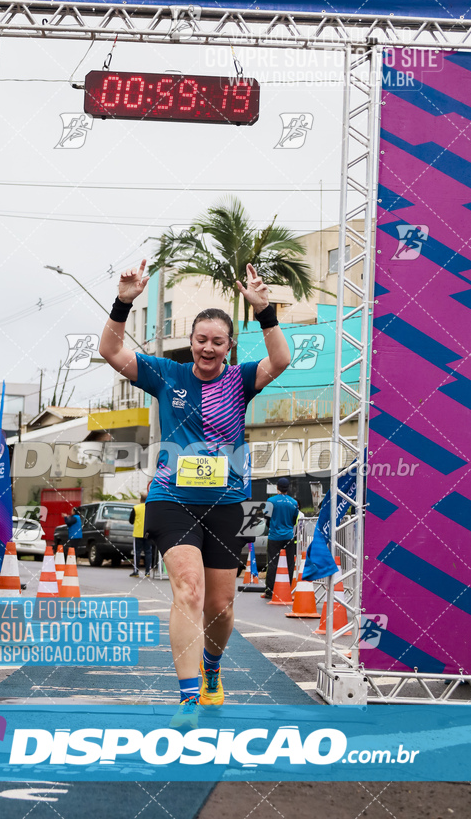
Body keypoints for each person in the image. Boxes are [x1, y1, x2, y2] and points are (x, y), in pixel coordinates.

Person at [99, 260, 290, 725]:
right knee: (187, 589)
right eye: (200, 339)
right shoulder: (166, 374)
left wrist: (265, 311)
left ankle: (211, 667)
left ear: (228, 346)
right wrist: (124, 301)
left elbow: (280, 360)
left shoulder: (240, 379)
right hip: (172, 498)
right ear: (191, 342)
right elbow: (110, 350)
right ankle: (186, 699)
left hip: (226, 503)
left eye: (217, 341)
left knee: (221, 606)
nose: (207, 347)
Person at [263, 476, 299, 600]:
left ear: (277, 487)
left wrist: (273, 526)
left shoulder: (271, 501)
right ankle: (286, 590)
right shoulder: (293, 503)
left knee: (272, 563)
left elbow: (267, 519)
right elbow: (294, 520)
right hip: (289, 536)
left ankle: (270, 591)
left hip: (274, 536)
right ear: (288, 489)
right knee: (289, 563)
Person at [129, 491, 152, 577]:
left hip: (138, 533)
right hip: (148, 533)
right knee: (148, 552)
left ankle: (136, 571)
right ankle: (147, 572)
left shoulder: (136, 508)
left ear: (140, 499)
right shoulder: (150, 508)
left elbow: (131, 521)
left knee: (137, 552)